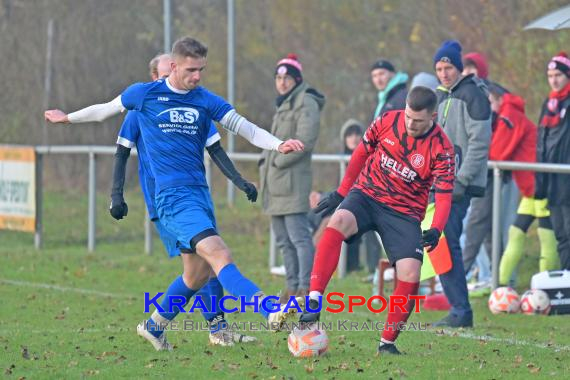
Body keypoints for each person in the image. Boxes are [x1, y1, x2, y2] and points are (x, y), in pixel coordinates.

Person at [48, 37, 305, 351]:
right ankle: (268, 308)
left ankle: (154, 326)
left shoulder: (203, 100)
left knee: (196, 274)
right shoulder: (145, 94)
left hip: (199, 195)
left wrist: (278, 144)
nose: (197, 76)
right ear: (173, 65)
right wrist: (68, 117)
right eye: (191, 69)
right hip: (171, 197)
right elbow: (105, 110)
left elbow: (244, 126)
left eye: (201, 70)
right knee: (219, 253)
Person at [298, 86, 455, 355]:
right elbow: (360, 154)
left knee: (410, 273)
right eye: (408, 116)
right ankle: (314, 301)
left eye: (418, 120)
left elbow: (443, 197)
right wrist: (341, 192)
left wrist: (436, 229)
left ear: (433, 116)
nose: (410, 124)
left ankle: (387, 343)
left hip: (404, 212)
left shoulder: (443, 149)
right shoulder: (386, 121)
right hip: (367, 194)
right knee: (336, 223)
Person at [432, 40, 492, 328]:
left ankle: (461, 309)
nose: (444, 73)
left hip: (459, 186)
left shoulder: (473, 95)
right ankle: (458, 307)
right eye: (439, 68)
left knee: (447, 242)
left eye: (448, 67)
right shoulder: (438, 96)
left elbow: (480, 145)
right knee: (439, 243)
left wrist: (461, 180)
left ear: (459, 68)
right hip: (437, 183)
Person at [259, 54, 325, 303]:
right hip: (274, 184)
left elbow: (305, 141)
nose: (282, 82)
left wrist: (276, 161)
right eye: (278, 77)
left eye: (287, 77)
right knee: (284, 241)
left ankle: (305, 287)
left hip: (292, 182)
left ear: (296, 79)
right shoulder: (285, 102)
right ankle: (291, 287)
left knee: (299, 238)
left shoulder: (305, 101)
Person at [488, 84, 559, 285]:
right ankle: (500, 286)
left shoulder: (509, 115)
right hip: (530, 190)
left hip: (542, 186)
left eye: (491, 102)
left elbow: (498, 153)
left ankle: (548, 288)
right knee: (516, 233)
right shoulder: (507, 114)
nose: (489, 107)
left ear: (500, 99)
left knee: (546, 238)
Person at [536, 52, 570, 270]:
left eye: (558, 74)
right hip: (552, 179)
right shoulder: (548, 103)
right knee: (561, 234)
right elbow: (541, 140)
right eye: (550, 75)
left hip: (567, 177)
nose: (554, 80)